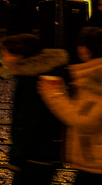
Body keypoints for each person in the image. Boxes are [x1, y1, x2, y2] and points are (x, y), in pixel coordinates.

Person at [1, 32, 68, 185]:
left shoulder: (29, 81)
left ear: (20, 56)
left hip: (34, 155)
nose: (4, 59)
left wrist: (16, 157)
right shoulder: (46, 74)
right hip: (46, 153)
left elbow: (26, 122)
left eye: (7, 55)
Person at [39, 26, 102, 185]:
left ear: (83, 49)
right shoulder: (92, 74)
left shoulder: (96, 77)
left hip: (96, 162)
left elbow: (83, 119)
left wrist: (53, 94)